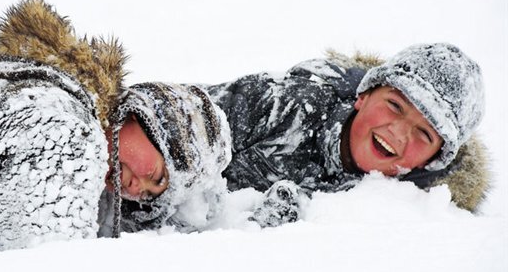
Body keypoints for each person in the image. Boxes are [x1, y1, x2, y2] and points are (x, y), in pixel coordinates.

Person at [0, 0, 231, 254]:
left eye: (152, 193)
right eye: (157, 173)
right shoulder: (67, 133)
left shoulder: (75, 132)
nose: (138, 188)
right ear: (142, 119)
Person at [204, 44, 490, 227]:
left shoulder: (422, 214)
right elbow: (171, 128)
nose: (398, 132)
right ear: (364, 95)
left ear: (434, 159)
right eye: (395, 106)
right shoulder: (284, 104)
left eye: (425, 133)